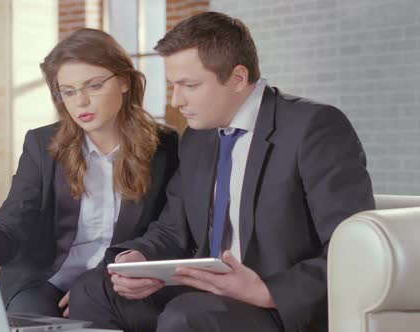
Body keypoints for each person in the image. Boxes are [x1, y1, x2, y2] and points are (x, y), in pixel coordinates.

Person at [69, 12, 375, 332]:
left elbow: (352, 250)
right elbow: (174, 229)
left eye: (190, 85)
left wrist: (266, 291)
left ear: (238, 78)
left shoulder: (314, 128)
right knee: (93, 290)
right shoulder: (198, 137)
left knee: (187, 316)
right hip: (207, 292)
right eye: (174, 85)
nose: (177, 100)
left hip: (276, 305)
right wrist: (141, 260)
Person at [0, 28, 179, 318]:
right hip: (45, 280)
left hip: (116, 282)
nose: (81, 102)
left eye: (94, 86)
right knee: (31, 316)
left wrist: (98, 287)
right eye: (69, 92)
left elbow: (167, 231)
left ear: (124, 81)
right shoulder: (42, 146)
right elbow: (13, 231)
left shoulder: (165, 146)